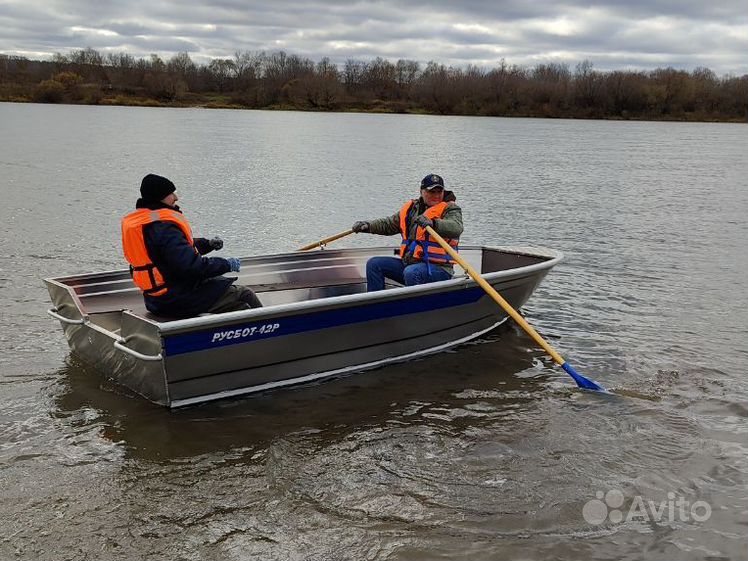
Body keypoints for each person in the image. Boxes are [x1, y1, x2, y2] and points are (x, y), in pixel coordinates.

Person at [121, 173, 262, 318]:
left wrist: (207, 244)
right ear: (160, 197)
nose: (176, 197)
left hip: (155, 300)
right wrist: (226, 264)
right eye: (171, 194)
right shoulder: (163, 227)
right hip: (177, 299)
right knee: (244, 295)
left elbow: (171, 252)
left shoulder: (146, 223)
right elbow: (192, 266)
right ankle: (270, 333)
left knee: (223, 288)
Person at [351, 173, 463, 292]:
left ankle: (415, 308)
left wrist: (434, 223)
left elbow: (456, 227)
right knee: (374, 264)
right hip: (410, 263)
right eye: (431, 192)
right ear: (422, 192)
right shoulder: (412, 209)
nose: (436, 195)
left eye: (439, 192)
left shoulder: (450, 209)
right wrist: (367, 226)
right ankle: (374, 306)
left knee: (411, 272)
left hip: (439, 269)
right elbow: (388, 224)